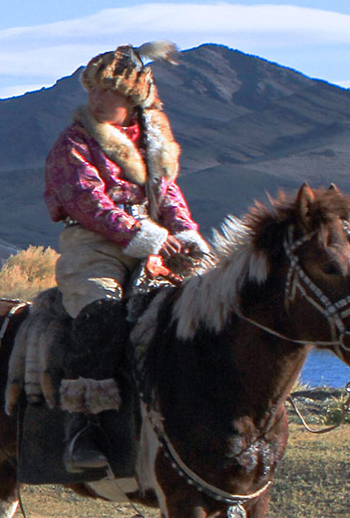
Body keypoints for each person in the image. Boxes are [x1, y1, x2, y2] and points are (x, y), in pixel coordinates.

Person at [42, 41, 208, 470]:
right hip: (92, 247)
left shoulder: (155, 145)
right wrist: (145, 235)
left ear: (132, 97)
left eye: (106, 92)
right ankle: (82, 429)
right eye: (92, 91)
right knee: (102, 313)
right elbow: (85, 200)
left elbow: (167, 194)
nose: (95, 100)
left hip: (155, 249)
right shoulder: (74, 142)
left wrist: (186, 234)